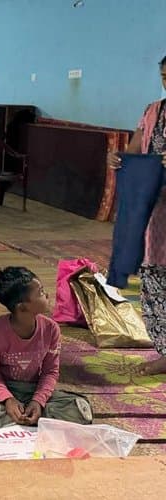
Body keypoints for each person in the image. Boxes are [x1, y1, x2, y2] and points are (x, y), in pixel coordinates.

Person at [0, 267, 92, 429]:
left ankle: (15, 420)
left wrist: (38, 401)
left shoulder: (51, 329)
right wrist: (7, 399)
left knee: (81, 409)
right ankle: (34, 422)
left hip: (34, 390)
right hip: (4, 389)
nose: (47, 295)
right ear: (22, 307)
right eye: (41, 292)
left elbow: (50, 371)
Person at [109, 54, 166, 375]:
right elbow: (134, 149)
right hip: (153, 212)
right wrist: (119, 160)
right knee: (154, 281)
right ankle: (165, 350)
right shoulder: (153, 111)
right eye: (163, 76)